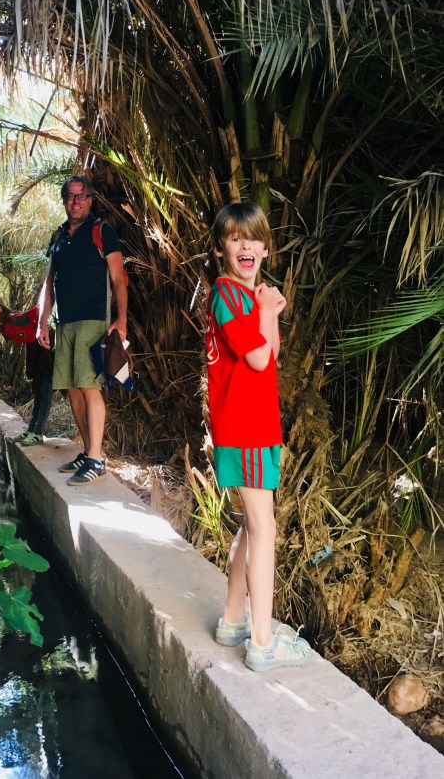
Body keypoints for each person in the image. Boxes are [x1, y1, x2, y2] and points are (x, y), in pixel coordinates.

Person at [206, 201, 311, 672]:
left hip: (257, 426)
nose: (245, 246)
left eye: (253, 238)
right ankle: (263, 643)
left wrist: (268, 310)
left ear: (266, 248)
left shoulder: (247, 297)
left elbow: (270, 351)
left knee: (253, 525)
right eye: (235, 238)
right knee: (264, 527)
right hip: (245, 428)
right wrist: (267, 307)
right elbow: (258, 359)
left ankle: (233, 621)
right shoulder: (227, 294)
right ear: (220, 249)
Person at [37, 175, 128, 487]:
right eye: (71, 196)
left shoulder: (102, 231)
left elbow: (118, 278)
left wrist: (121, 319)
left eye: (82, 196)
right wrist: (42, 321)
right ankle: (88, 452)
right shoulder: (59, 236)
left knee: (89, 386)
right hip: (65, 322)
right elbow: (50, 281)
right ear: (65, 200)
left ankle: (96, 460)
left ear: (90, 200)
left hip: (93, 319)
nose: (76, 202)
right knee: (73, 387)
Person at [0, 295, 54, 444]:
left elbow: (38, 311)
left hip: (48, 349)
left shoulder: (13, 319)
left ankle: (38, 433)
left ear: (0, 308)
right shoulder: (3, 326)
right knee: (38, 393)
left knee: (45, 393)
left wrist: (44, 327)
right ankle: (31, 430)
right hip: (35, 352)